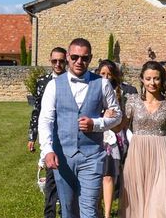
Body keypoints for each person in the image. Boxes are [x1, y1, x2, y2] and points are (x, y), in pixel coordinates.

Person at [39, 38, 122, 218]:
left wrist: (96, 124)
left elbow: (117, 115)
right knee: (68, 210)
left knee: (89, 210)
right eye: (75, 57)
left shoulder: (102, 83)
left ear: (90, 59)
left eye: (84, 58)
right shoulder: (53, 85)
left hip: (92, 156)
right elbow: (45, 120)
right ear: (68, 57)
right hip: (63, 157)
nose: (79, 62)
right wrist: (47, 150)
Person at [119, 61, 166, 218]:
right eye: (149, 78)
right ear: (142, 79)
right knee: (135, 196)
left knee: (160, 198)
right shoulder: (132, 101)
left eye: (156, 78)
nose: (153, 82)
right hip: (137, 153)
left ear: (162, 80)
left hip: (162, 153)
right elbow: (121, 126)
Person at [28, 47, 67, 218]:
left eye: (61, 61)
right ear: (50, 61)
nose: (58, 64)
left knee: (67, 180)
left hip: (67, 134)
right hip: (50, 134)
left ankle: (65, 211)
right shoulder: (43, 82)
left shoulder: (71, 80)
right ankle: (49, 214)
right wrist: (32, 135)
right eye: (54, 61)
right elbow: (37, 111)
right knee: (51, 178)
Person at [95, 60, 129, 218]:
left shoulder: (120, 93)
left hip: (113, 139)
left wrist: (112, 120)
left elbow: (122, 120)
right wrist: (103, 117)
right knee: (96, 177)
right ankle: (98, 208)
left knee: (108, 175)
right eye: (103, 74)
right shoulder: (92, 89)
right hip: (95, 137)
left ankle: (107, 213)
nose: (106, 77)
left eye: (109, 74)